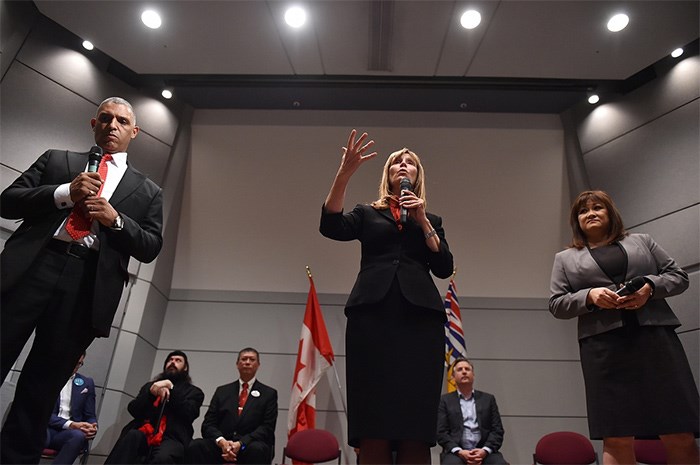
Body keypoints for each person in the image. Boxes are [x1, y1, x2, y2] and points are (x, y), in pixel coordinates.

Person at [0, 96, 163, 463]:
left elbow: (151, 246)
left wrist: (115, 220)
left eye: (122, 121)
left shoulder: (149, 191)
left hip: (85, 286)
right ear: (94, 124)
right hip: (30, 270)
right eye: (105, 118)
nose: (112, 126)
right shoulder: (58, 159)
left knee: (39, 393)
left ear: (134, 132)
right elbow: (7, 202)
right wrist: (64, 193)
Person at [320, 129, 454, 464]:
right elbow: (331, 226)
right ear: (388, 174)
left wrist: (423, 221)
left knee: (414, 418)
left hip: (420, 321)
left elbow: (443, 267)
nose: (403, 165)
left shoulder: (432, 220)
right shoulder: (367, 213)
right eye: (397, 162)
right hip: (372, 318)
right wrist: (344, 173)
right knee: (374, 415)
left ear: (417, 175)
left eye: (410, 162)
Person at [549, 190, 699, 465]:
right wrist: (590, 296)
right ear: (577, 221)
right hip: (603, 350)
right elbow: (557, 304)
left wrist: (650, 287)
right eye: (583, 211)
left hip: (656, 341)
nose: (591, 213)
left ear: (610, 212)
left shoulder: (643, 241)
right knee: (616, 435)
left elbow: (678, 277)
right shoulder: (565, 259)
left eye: (597, 207)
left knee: (679, 431)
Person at [105, 351, 204, 464]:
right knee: (131, 436)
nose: (173, 363)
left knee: (163, 458)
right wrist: (151, 394)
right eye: (170, 360)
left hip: (171, 437)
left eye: (178, 360)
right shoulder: (151, 386)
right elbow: (133, 409)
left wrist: (171, 389)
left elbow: (190, 413)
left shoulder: (194, 392)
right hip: (144, 432)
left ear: (185, 367)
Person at [186, 348, 278, 465]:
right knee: (196, 445)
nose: (247, 362)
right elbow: (208, 424)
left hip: (249, 446)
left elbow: (267, 427)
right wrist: (222, 442)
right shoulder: (222, 391)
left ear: (258, 365)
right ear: (237, 364)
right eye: (244, 359)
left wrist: (241, 443)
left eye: (252, 359)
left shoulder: (269, 394)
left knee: (257, 449)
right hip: (222, 446)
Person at [437, 358, 508, 465]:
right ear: (452, 377)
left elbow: (497, 430)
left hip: (485, 451)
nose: (464, 371)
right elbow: (441, 433)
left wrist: (484, 451)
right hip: (457, 452)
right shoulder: (445, 401)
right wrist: (459, 451)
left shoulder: (488, 399)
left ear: (473, 375)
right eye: (460, 369)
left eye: (467, 369)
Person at [44, 352, 97, 465]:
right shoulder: (47, 377)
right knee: (36, 431)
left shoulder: (87, 383)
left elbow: (90, 415)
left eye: (79, 364)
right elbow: (41, 412)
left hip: (68, 433)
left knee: (78, 436)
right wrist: (71, 424)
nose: (75, 366)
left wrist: (93, 426)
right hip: (46, 427)